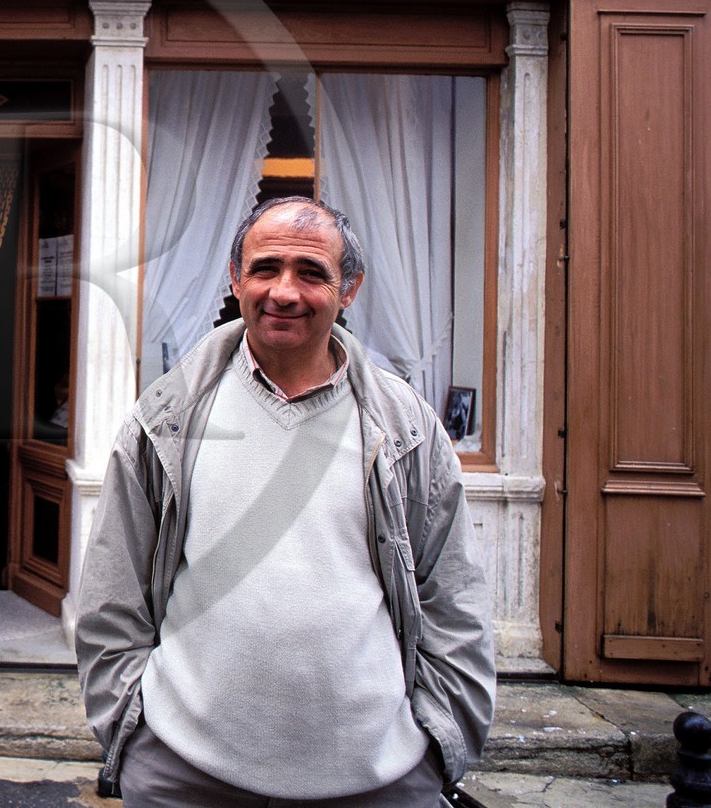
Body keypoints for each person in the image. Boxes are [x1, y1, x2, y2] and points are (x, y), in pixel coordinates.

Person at [75, 197, 495, 806]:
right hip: (185, 776)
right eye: (266, 268)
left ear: (349, 289)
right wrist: (132, 732)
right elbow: (113, 593)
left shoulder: (407, 428)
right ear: (235, 277)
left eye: (312, 273)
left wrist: (437, 743)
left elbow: (452, 599)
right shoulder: (166, 419)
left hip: (378, 780)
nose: (284, 291)